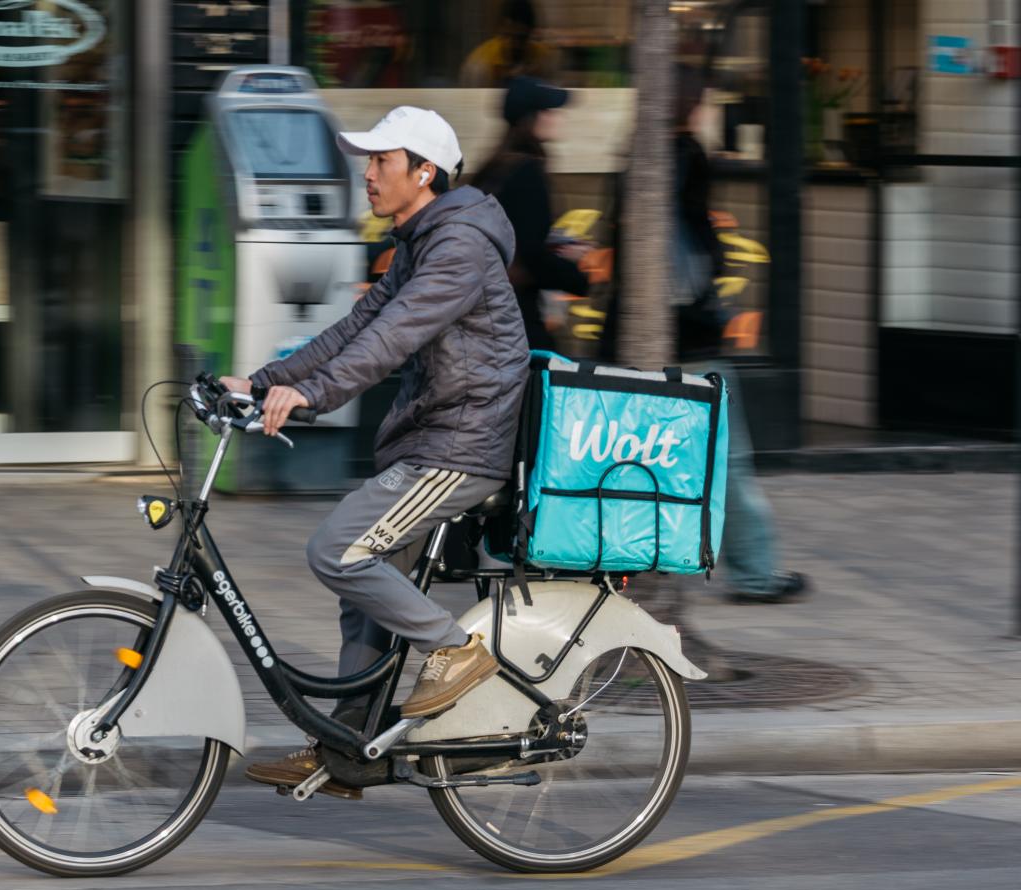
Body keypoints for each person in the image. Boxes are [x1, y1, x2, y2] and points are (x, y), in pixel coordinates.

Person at [217, 106, 529, 798]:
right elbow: (358, 323)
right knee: (365, 601)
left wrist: (314, 397)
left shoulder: (460, 246)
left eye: (381, 161)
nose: (368, 174)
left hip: (460, 447)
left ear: (424, 172)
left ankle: (455, 652)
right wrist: (262, 381)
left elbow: (394, 338)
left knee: (338, 550)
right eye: (368, 161)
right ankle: (346, 750)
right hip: (430, 439)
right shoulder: (421, 239)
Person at [599, 65, 807, 604]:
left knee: (631, 456)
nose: (703, 106)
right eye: (699, 98)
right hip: (689, 338)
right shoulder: (684, 153)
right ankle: (756, 574)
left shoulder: (634, 153)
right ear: (686, 102)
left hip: (639, 335)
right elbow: (689, 238)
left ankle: (611, 561)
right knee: (728, 457)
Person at [471, 76, 590, 351]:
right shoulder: (527, 172)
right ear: (532, 118)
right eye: (549, 111)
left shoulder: (494, 168)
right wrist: (577, 277)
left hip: (486, 314)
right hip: (515, 319)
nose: (557, 117)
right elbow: (531, 252)